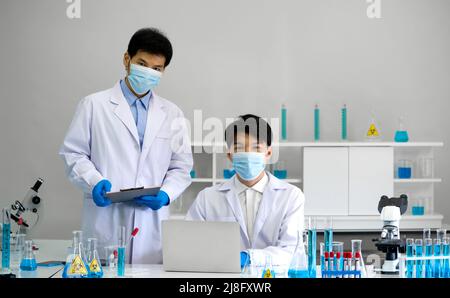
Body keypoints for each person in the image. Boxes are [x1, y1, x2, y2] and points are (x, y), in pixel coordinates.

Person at [59, 28, 193, 264]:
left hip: (151, 227)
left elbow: (181, 167)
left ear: (163, 71)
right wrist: (94, 181)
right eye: (142, 63)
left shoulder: (173, 113)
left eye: (156, 69)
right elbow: (73, 154)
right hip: (105, 220)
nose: (149, 72)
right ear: (126, 59)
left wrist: (166, 194)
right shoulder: (93, 105)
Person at [186, 114, 305, 267]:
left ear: (268, 153)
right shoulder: (207, 198)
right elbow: (191, 245)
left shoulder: (291, 196)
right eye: (239, 148)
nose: (248, 154)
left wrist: (249, 257)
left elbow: (290, 251)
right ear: (229, 155)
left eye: (256, 148)